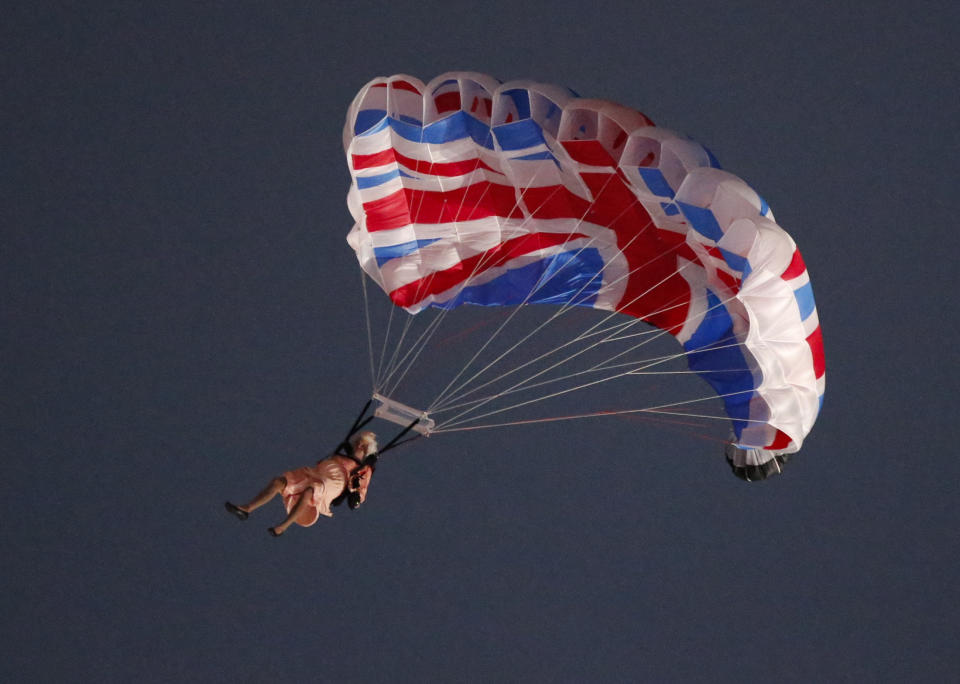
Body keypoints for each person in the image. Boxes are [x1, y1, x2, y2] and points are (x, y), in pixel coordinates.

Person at [225, 431, 378, 536]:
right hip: (317, 472)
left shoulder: (364, 469)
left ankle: (282, 527)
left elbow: (356, 501)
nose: (359, 446)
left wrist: (356, 489)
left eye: (363, 446)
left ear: (366, 452)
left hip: (336, 481)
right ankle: (246, 509)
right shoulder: (341, 454)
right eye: (358, 442)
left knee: (310, 492)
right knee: (280, 482)